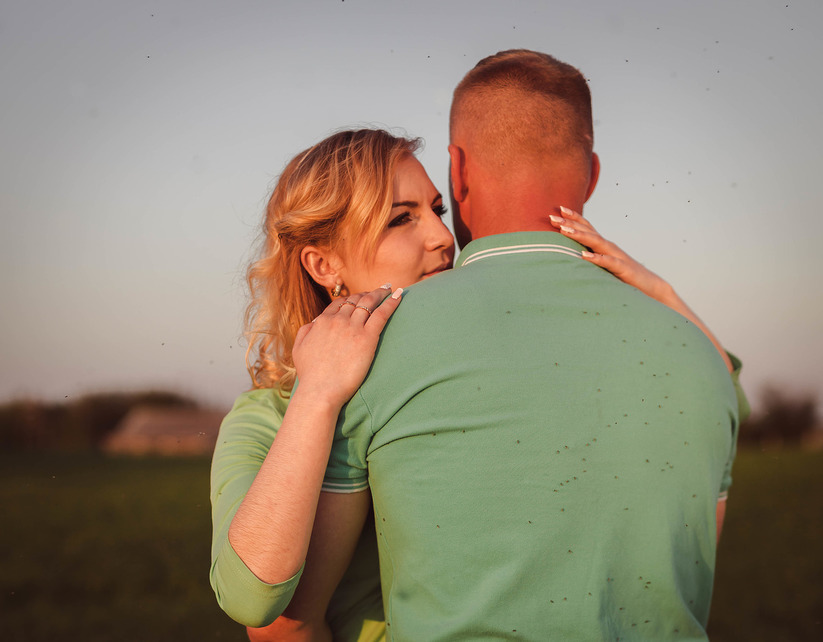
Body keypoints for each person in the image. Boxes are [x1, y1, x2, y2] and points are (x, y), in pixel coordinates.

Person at [210, 124, 746, 638]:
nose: (444, 237)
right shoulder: (268, 416)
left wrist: (664, 296)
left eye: (438, 210)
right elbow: (257, 607)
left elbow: (719, 414)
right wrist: (317, 396)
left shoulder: (455, 372)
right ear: (323, 265)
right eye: (402, 219)